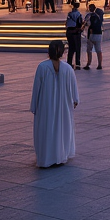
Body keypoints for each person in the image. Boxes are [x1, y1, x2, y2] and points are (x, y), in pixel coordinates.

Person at [30, 40, 78, 168]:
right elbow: (74, 90)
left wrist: (34, 105)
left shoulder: (42, 67)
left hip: (46, 106)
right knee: (62, 129)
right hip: (63, 106)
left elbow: (36, 89)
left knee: (47, 129)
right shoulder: (68, 68)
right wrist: (74, 100)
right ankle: (60, 156)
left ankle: (47, 158)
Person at [83, 3, 104, 70]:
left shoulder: (89, 15)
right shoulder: (99, 15)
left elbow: (86, 23)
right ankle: (99, 64)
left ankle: (88, 64)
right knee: (98, 50)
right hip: (99, 34)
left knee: (89, 50)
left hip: (91, 35)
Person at [65, 2, 84, 70]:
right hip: (76, 32)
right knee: (77, 47)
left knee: (71, 48)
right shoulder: (78, 14)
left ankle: (69, 62)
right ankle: (77, 63)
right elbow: (79, 23)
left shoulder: (69, 14)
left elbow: (67, 23)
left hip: (69, 32)